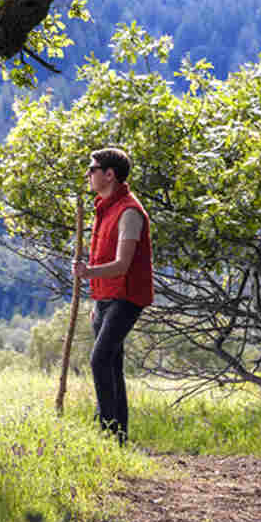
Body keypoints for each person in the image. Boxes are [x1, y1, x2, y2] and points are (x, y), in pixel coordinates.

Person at [73, 146, 153, 444]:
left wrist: (87, 274)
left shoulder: (130, 212)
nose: (88, 174)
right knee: (112, 365)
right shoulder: (103, 207)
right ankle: (119, 439)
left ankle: (107, 433)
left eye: (92, 169)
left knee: (100, 360)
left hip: (127, 297)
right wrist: (97, 298)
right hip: (105, 297)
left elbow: (122, 265)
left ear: (110, 174)